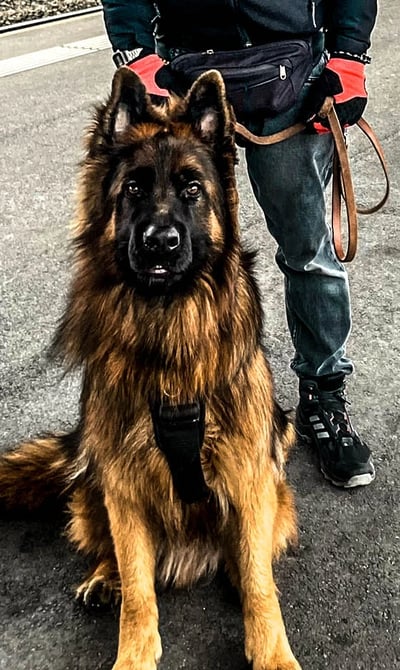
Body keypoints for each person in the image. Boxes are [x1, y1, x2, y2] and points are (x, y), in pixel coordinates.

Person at [100, 0, 377, 488]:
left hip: (294, 79)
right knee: (173, 254)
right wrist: (135, 51)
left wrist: (349, 57)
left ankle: (325, 394)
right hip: (181, 76)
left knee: (309, 253)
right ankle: (182, 403)